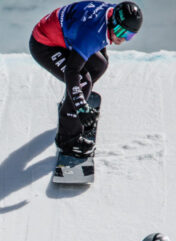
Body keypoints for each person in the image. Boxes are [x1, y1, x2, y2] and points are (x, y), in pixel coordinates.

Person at [29, 1, 142, 158]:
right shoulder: (94, 33)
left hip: (66, 37)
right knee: (83, 82)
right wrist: (81, 106)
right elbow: (72, 70)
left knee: (99, 65)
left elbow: (94, 31)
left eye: (129, 35)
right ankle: (67, 141)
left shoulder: (112, 12)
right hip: (45, 45)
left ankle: (72, 101)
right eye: (120, 31)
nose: (123, 38)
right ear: (113, 23)